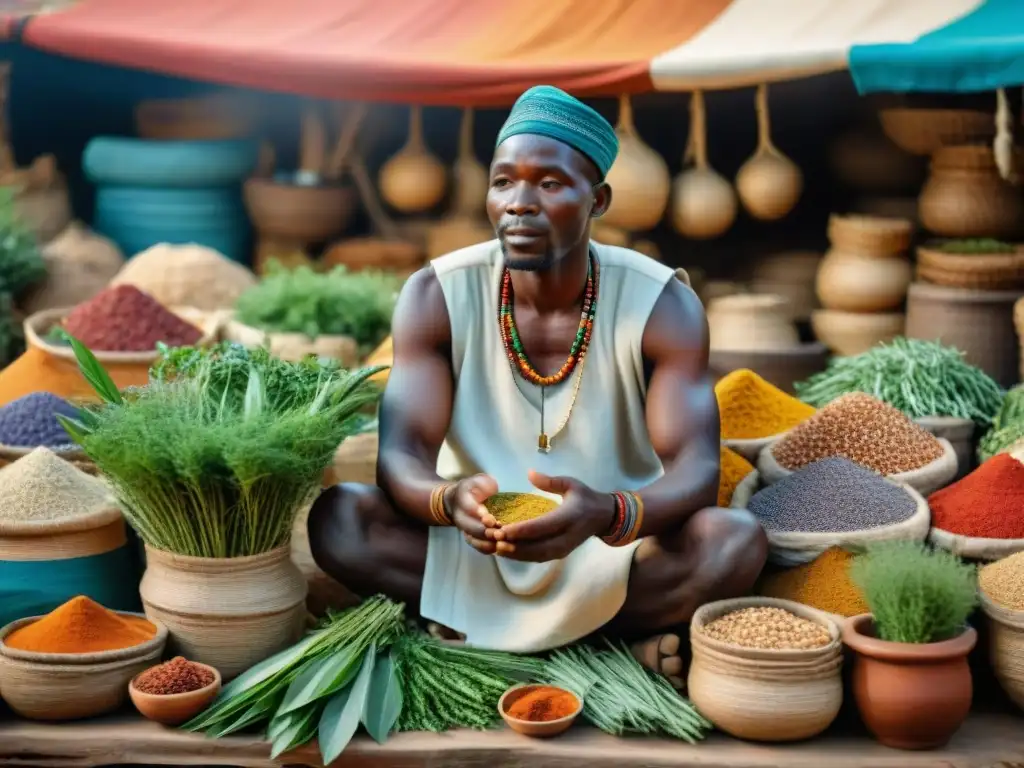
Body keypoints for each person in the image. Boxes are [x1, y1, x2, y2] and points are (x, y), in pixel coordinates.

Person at [309, 85, 766, 678]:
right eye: (503, 183)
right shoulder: (435, 294)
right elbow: (400, 455)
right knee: (341, 518)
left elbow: (697, 473)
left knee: (733, 541)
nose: (519, 203)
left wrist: (604, 513)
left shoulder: (662, 304)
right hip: (477, 544)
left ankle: (477, 632)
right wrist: (448, 500)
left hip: (610, 551)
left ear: (597, 200)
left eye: (549, 184)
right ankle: (610, 648)